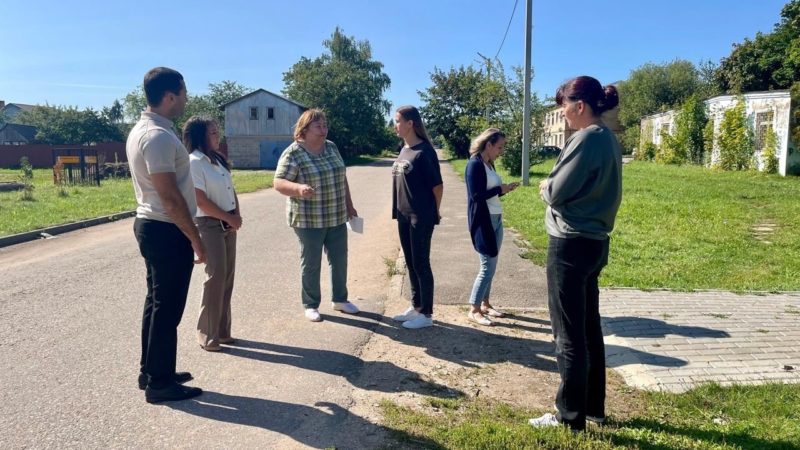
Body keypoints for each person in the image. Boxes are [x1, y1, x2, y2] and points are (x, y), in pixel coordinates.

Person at [528, 76, 623, 432]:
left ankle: (569, 417)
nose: (563, 114)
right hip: (595, 242)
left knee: (567, 334)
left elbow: (557, 191)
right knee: (588, 328)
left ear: (580, 106)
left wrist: (544, 185)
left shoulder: (585, 139)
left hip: (569, 243)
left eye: (564, 107)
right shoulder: (609, 139)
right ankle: (593, 408)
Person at [127, 67, 204, 403]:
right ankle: (160, 383)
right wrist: (196, 238)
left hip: (155, 226)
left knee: (156, 303)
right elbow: (169, 196)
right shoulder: (157, 136)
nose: (186, 99)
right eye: (184, 93)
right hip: (165, 228)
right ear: (170, 95)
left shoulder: (149, 130)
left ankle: (152, 370)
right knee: (167, 309)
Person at [273, 109, 360, 322]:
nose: (324, 130)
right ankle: (310, 304)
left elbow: (342, 177)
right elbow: (279, 182)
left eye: (325, 125)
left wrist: (349, 205)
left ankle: (340, 299)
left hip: (336, 215)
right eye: (318, 126)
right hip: (308, 218)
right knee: (311, 262)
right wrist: (299, 188)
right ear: (304, 129)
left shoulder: (331, 147)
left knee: (340, 259)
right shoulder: (293, 152)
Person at [184, 116, 242, 352]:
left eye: (217, 131)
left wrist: (236, 214)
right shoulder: (194, 162)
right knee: (215, 277)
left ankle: (222, 330)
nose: (218, 136)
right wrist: (229, 217)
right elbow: (200, 200)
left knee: (227, 277)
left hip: (228, 222)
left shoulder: (217, 160)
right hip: (209, 223)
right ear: (200, 136)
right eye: (213, 132)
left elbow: (231, 189)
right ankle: (207, 334)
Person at [390, 106, 443, 329]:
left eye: (398, 121)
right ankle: (416, 305)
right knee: (410, 263)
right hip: (403, 214)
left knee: (421, 263)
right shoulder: (404, 149)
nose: (395, 125)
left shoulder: (425, 152)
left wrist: (434, 211)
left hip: (420, 216)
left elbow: (438, 187)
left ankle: (426, 314)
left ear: (410, 123)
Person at [465, 128, 519, 326]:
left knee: (492, 265)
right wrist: (499, 189)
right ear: (488, 144)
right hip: (483, 221)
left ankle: (486, 304)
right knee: (487, 267)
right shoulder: (474, 164)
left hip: (496, 218)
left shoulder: (489, 164)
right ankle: (474, 309)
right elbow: (476, 196)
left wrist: (504, 190)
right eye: (499, 147)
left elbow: (490, 193)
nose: (501, 151)